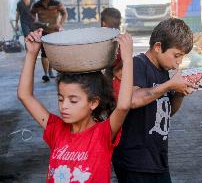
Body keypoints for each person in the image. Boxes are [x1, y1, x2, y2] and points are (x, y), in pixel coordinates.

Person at [17, 28, 133, 182]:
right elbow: (24, 95)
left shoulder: (102, 133)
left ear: (93, 103)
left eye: (73, 100)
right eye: (60, 99)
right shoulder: (56, 129)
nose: (63, 106)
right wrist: (31, 54)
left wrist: (128, 59)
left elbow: (123, 106)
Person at [112, 18, 195, 183]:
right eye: (176, 55)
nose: (179, 62)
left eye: (182, 57)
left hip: (158, 159)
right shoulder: (138, 64)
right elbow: (132, 100)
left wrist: (179, 93)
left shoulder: (163, 71)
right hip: (135, 162)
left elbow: (166, 111)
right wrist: (168, 85)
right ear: (158, 47)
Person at [31, 0, 68, 82]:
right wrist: (35, 21)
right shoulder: (37, 5)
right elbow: (32, 14)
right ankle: (46, 73)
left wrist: (60, 24)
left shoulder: (56, 3)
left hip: (54, 31)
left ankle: (51, 71)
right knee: (44, 52)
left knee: (52, 52)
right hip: (43, 31)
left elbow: (64, 13)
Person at [101, 7, 122, 101]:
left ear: (103, 24)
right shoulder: (119, 37)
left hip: (116, 70)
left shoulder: (116, 40)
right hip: (114, 70)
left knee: (111, 93)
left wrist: (116, 71)